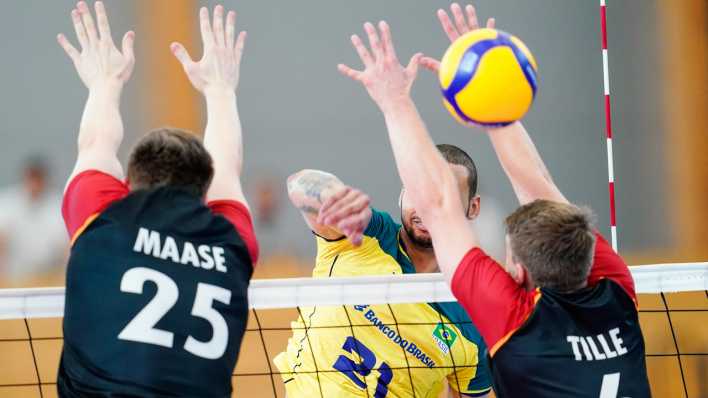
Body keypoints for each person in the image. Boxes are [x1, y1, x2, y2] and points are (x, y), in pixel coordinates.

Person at [331, 3, 651, 397]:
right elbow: (538, 189)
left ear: (517, 274)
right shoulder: (615, 289)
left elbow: (438, 207)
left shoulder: (518, 321)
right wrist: (491, 95)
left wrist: (394, 101)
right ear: (586, 251)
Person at [273, 11, 495, 397]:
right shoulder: (367, 234)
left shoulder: (472, 317)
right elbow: (299, 185)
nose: (426, 205)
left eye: (441, 196)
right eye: (418, 190)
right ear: (402, 193)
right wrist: (331, 196)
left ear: (472, 209)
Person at [55, 2, 257, 397]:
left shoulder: (101, 219)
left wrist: (105, 82)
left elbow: (95, 142)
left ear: (127, 183)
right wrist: (220, 92)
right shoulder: (231, 244)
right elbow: (228, 171)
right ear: (204, 192)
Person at [0, 158, 66, 284]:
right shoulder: (8, 202)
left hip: (50, 276)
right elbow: (2, 241)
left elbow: (66, 247)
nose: (34, 183)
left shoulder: (58, 204)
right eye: (31, 178)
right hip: (15, 276)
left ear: (45, 180)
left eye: (38, 178)